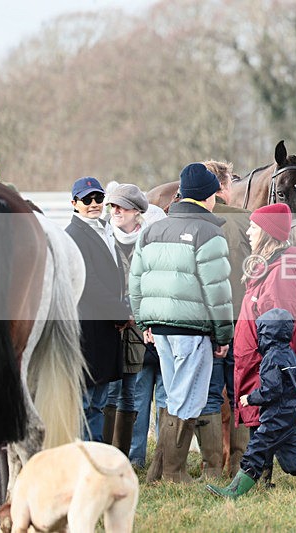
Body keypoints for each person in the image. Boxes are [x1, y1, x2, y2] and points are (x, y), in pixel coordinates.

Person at [129, 162, 234, 483]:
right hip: (193, 330)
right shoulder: (209, 232)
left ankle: (160, 471)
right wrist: (223, 334)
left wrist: (145, 322)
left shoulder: (150, 231)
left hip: (159, 330)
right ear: (206, 197)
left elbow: (136, 282)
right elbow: (217, 293)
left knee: (175, 394)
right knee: (189, 397)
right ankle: (173, 473)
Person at [231, 203, 296, 488]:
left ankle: (266, 475)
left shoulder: (280, 272)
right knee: (273, 420)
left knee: (271, 419)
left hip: (266, 359)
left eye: (254, 227)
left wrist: (268, 363)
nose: (249, 232)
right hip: (259, 356)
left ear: (267, 233)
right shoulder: (273, 266)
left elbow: (279, 324)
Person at [207, 308, 296, 497]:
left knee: (256, 449)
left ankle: (233, 492)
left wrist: (250, 398)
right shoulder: (290, 355)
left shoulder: (270, 359)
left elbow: (271, 390)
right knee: (294, 452)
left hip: (274, 418)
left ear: (267, 333)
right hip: (290, 414)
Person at [194, 159, 252, 479]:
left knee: (210, 395)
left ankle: (211, 466)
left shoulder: (189, 220)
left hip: (205, 323)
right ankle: (241, 465)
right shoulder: (247, 220)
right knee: (241, 390)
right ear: (224, 187)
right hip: (243, 321)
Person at [65, 177, 131, 442]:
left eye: (98, 198)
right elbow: (89, 281)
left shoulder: (103, 229)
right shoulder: (74, 234)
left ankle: (94, 455)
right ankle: (83, 459)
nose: (94, 204)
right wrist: (120, 312)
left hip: (104, 328)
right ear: (74, 203)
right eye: (87, 199)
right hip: (86, 328)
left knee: (99, 402)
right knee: (85, 403)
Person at [101, 183, 156, 457]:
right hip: (108, 325)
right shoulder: (103, 237)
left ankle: (131, 458)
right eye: (113, 206)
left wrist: (138, 315)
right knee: (109, 392)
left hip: (137, 326)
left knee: (130, 392)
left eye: (121, 206)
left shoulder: (149, 240)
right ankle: (106, 454)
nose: (115, 211)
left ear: (137, 212)